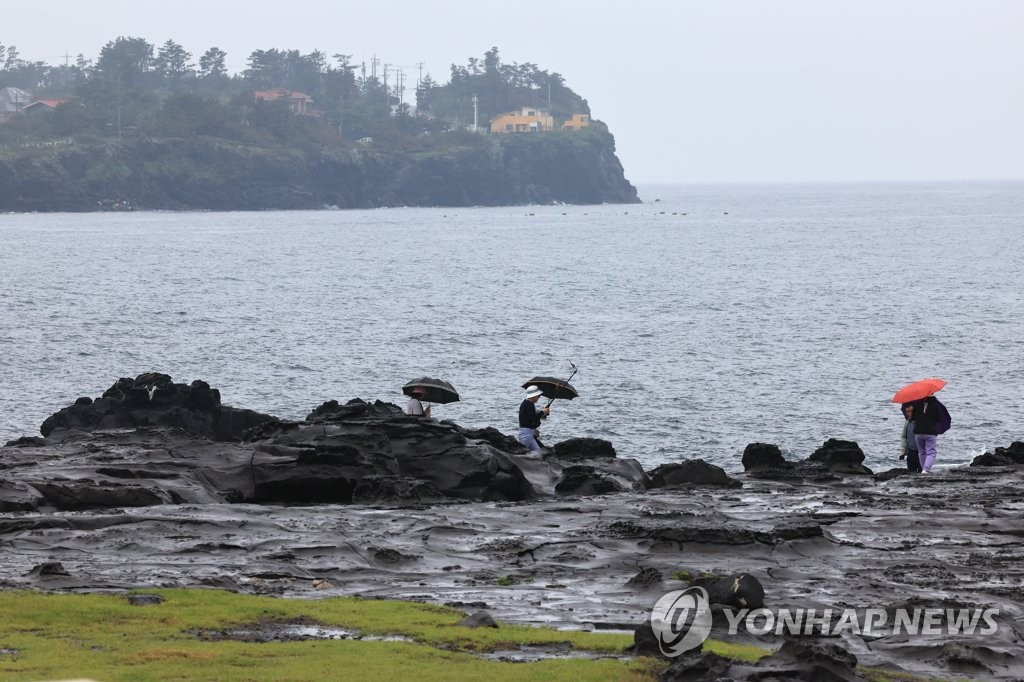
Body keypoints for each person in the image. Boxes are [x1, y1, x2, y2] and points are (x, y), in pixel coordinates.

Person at [911, 395, 945, 473]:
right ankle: (926, 469)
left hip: (918, 432)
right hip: (930, 432)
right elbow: (939, 418)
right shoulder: (935, 404)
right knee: (931, 452)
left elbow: (913, 417)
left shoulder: (916, 404)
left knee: (921, 452)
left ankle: (924, 469)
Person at [517, 385, 549, 452]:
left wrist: (543, 413)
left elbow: (532, 417)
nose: (539, 397)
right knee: (522, 453)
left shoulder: (528, 403)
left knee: (538, 453)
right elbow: (533, 419)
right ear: (533, 395)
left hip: (529, 434)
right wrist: (542, 412)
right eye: (538, 396)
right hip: (526, 434)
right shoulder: (528, 404)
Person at [899, 403, 922, 473]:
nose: (908, 413)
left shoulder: (921, 422)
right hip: (911, 452)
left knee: (922, 471)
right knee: (911, 472)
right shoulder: (907, 423)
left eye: (910, 411)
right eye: (907, 411)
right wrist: (903, 452)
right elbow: (903, 438)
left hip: (921, 452)